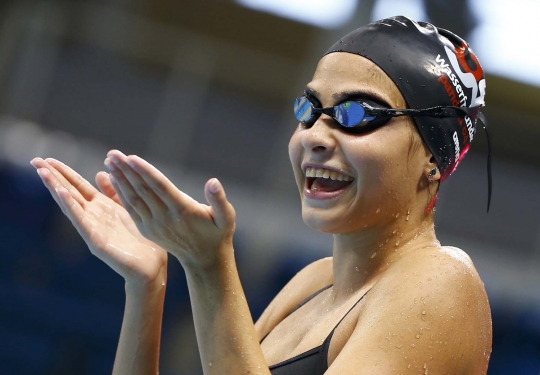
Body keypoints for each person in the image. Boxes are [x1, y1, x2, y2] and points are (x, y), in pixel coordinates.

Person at [31, 16, 492, 375]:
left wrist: (209, 267)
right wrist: (146, 287)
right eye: (309, 110)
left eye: (356, 113)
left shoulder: (443, 285)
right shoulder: (311, 285)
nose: (315, 135)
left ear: (434, 156)